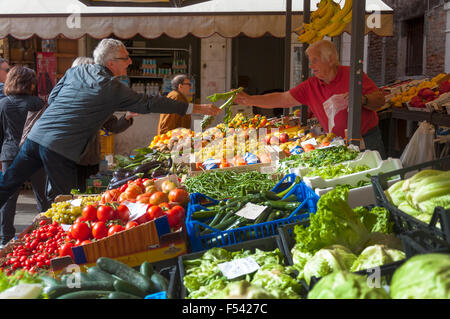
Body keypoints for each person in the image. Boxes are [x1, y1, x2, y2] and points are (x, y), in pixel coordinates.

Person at [0, 38, 220, 208]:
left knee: (8, 183)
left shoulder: (76, 71)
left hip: (35, 137)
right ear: (111, 62)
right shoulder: (111, 88)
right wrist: (197, 108)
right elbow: (149, 103)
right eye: (126, 58)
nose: (131, 62)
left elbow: (55, 97)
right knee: (62, 199)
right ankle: (60, 253)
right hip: (61, 146)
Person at [234, 39, 386, 158]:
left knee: (375, 182)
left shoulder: (353, 76)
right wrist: (250, 100)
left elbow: (380, 100)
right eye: (310, 61)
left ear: (331, 60)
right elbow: (282, 98)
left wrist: (362, 100)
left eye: (315, 60)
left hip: (367, 139)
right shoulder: (310, 86)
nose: (311, 66)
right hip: (337, 142)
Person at [70, 57, 139, 192]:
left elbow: (112, 126)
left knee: (87, 194)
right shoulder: (67, 97)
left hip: (91, 158)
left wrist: (127, 116)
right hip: (70, 159)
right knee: (69, 194)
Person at [0, 66, 49, 246]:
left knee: (8, 197)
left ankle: (5, 238)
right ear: (30, 83)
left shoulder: (3, 104)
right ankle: (44, 234)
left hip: (10, 154)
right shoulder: (37, 103)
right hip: (34, 154)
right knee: (42, 196)